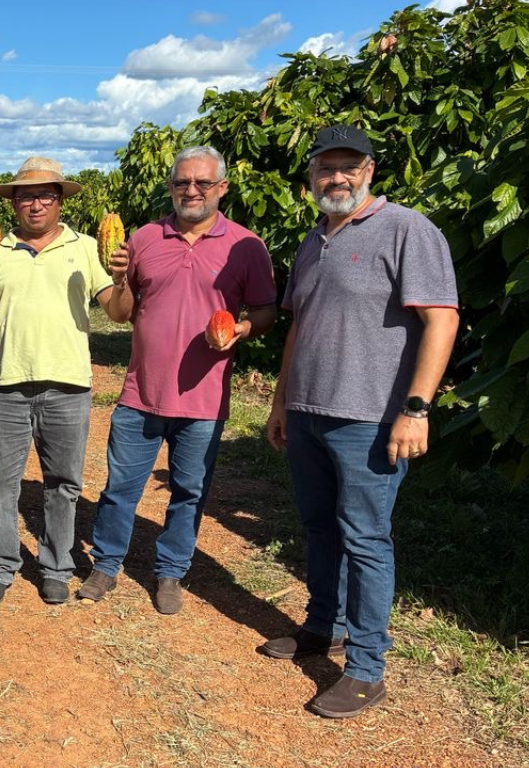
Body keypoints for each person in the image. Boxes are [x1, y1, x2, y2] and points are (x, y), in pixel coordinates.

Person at [262, 125, 458, 718]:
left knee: (366, 538)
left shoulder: (406, 229)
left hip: (371, 418)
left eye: (350, 167)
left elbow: (442, 320)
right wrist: (280, 401)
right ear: (311, 177)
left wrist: (416, 408)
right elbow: (300, 324)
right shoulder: (312, 240)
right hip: (310, 411)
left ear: (370, 171)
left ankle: (368, 667)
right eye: (326, 168)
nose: (337, 178)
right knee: (319, 527)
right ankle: (324, 625)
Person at [80, 146, 278, 615]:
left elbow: (266, 310)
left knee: (190, 491)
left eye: (203, 183)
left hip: (204, 401)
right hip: (141, 392)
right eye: (182, 182)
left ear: (222, 188)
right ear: (170, 186)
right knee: (120, 487)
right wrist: (121, 279)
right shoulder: (144, 238)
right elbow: (122, 314)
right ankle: (106, 564)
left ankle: (171, 571)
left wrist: (243, 330)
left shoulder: (246, 245)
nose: (191, 191)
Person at [0, 157, 115, 606]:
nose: (36, 204)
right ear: (14, 203)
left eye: (45, 196)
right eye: (26, 196)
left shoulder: (86, 247)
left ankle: (56, 566)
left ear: (59, 200)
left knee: (63, 483)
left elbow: (116, 309)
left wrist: (126, 278)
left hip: (68, 385)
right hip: (7, 382)